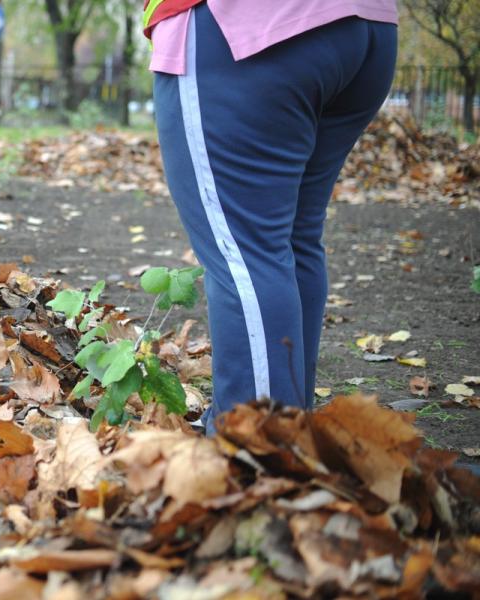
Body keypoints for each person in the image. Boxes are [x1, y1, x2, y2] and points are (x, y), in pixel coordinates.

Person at [146, 0, 398, 431]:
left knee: (245, 251)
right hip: (365, 28)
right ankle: (292, 431)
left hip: (244, 29)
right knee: (291, 239)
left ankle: (261, 456)